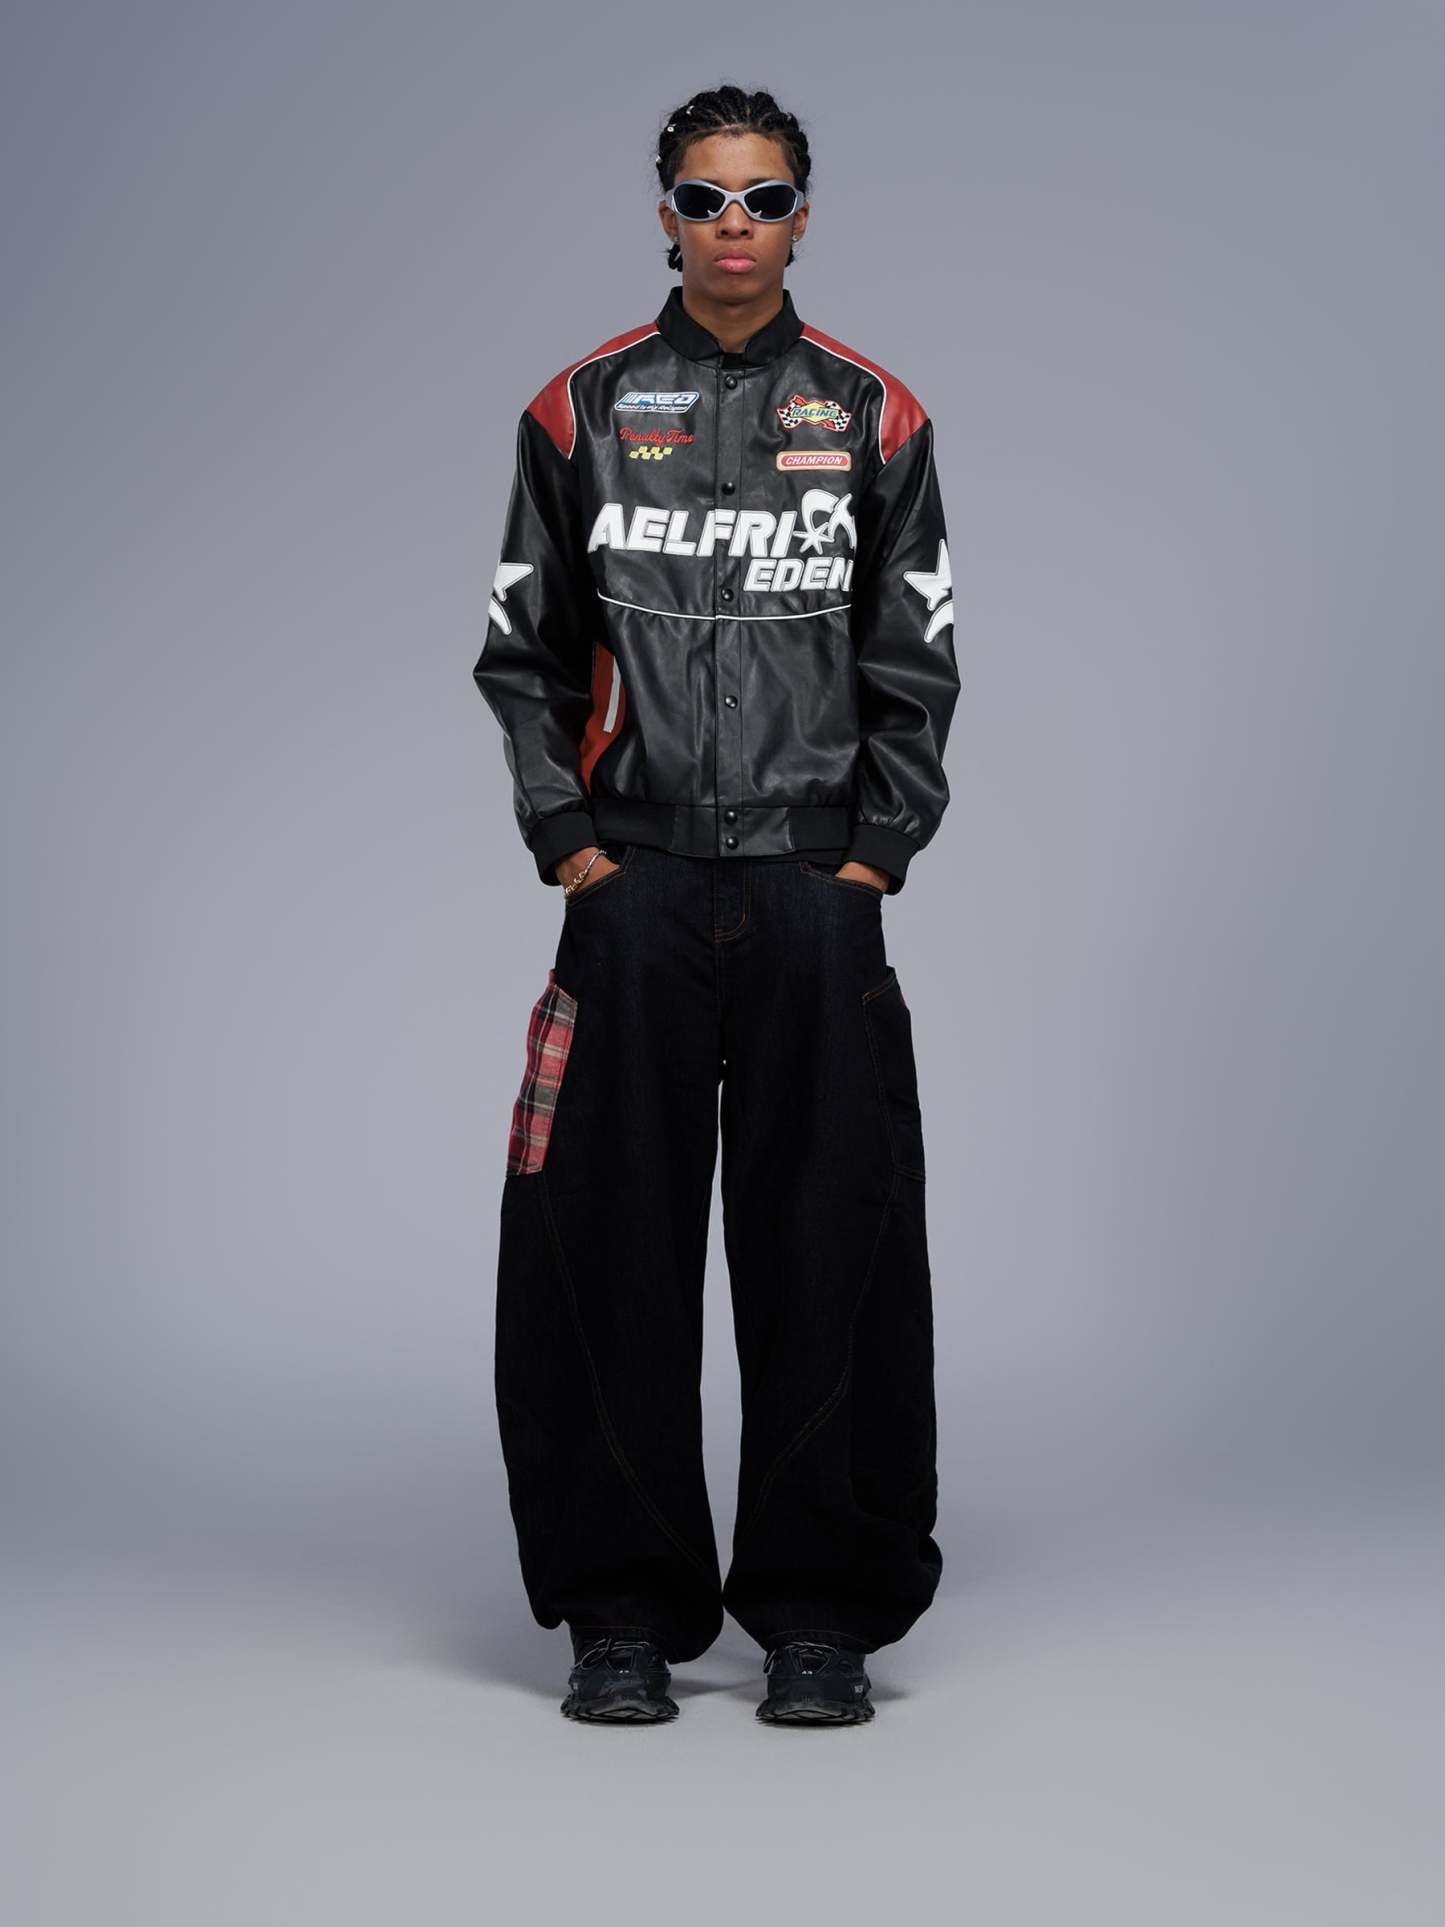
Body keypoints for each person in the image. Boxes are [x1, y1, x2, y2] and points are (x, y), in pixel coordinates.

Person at [471, 83, 960, 1725]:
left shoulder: (875, 413)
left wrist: (872, 855)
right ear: (665, 214)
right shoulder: (581, 408)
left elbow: (916, 656)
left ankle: (819, 1616)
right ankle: (618, 1614)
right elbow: (521, 653)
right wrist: (572, 844)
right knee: (598, 1243)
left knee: (837, 1243)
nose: (731, 224)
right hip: (636, 886)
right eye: (703, 197)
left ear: (802, 215)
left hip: (816, 894)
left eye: (760, 197)